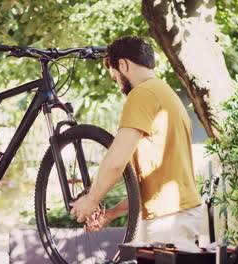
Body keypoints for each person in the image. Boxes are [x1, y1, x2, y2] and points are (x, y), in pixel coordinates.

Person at [69, 36, 202, 253]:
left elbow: (116, 160)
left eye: (115, 78)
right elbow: (152, 183)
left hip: (167, 222)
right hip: (176, 215)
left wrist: (92, 199)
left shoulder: (142, 94)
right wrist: (111, 213)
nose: (119, 86)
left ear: (123, 64)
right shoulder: (164, 93)